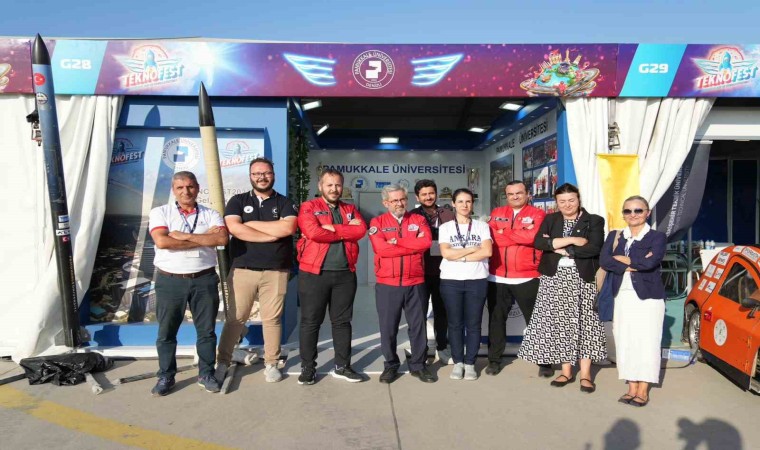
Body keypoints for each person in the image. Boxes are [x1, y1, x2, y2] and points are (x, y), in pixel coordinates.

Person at [518, 183, 606, 393]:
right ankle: (566, 371)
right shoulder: (551, 219)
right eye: (562, 201)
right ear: (557, 202)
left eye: (571, 200)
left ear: (579, 199)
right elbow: (539, 242)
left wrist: (560, 247)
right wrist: (572, 241)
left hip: (583, 279)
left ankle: (585, 374)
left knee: (586, 324)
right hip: (554, 279)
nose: (567, 205)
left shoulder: (594, 220)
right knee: (560, 325)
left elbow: (594, 248)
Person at [216, 157, 298, 383]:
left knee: (272, 319)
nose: (262, 177)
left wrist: (250, 224)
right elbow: (235, 229)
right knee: (236, 318)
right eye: (257, 173)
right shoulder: (237, 201)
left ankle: (271, 363)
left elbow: (288, 227)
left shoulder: (285, 202)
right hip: (243, 269)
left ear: (273, 175)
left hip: (276, 270)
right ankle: (222, 361)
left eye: (266, 173)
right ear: (250, 176)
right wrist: (270, 235)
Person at [148, 171, 228, 396]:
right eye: (180, 188)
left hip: (204, 279)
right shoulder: (160, 212)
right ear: (173, 190)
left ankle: (206, 374)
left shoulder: (211, 214)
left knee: (207, 331)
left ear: (198, 188)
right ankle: (166, 375)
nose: (186, 192)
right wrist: (204, 238)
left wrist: (184, 236)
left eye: (190, 187)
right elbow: (162, 242)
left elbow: (222, 239)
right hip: (170, 280)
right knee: (166, 332)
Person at [296, 169, 367, 385]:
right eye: (329, 185)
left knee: (342, 322)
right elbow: (313, 233)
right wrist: (345, 230)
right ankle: (308, 368)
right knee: (311, 322)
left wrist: (332, 228)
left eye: (337, 185)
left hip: (345, 273)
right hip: (314, 273)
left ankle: (342, 366)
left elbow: (361, 230)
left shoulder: (349, 208)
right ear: (320, 186)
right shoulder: (309, 207)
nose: (334, 189)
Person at [600, 196, 666, 407]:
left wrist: (622, 260)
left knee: (647, 341)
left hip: (649, 297)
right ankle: (631, 386)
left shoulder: (657, 237)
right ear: (623, 214)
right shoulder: (615, 236)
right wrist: (634, 263)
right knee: (625, 340)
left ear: (647, 212)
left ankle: (643, 389)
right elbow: (604, 260)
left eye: (638, 210)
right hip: (622, 296)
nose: (633, 214)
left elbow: (651, 263)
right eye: (628, 211)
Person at [368, 184, 436, 384]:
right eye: (395, 200)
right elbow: (382, 250)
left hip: (416, 282)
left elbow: (425, 244)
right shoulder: (377, 222)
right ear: (386, 203)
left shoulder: (418, 219)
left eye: (402, 199)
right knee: (388, 327)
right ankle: (391, 365)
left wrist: (396, 242)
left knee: (417, 326)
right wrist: (411, 244)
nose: (399, 203)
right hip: (388, 284)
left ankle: (418, 365)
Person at [486, 181, 549, 377]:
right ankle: (494, 360)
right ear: (506, 196)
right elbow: (490, 237)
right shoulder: (497, 212)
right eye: (510, 194)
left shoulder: (538, 214)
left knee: (536, 321)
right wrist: (518, 234)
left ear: (527, 194)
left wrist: (504, 232)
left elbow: (532, 237)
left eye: (519, 193)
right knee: (496, 321)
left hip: (527, 275)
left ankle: (545, 362)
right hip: (497, 276)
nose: (515, 196)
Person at [438, 188, 492, 380]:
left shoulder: (481, 226)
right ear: (453, 204)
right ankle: (458, 362)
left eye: (468, 201)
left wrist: (459, 256)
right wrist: (471, 249)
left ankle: (470, 363)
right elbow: (446, 253)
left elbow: (487, 252)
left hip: (476, 280)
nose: (464, 205)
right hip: (451, 281)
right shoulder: (445, 228)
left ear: (472, 204)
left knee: (474, 324)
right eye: (460, 201)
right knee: (454, 324)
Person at [411, 179, 455, 364]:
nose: (428, 197)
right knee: (418, 313)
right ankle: (419, 350)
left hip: (443, 271)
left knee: (442, 312)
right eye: (424, 194)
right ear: (417, 197)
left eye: (431, 193)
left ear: (436, 194)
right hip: (419, 272)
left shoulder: (448, 214)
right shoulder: (412, 216)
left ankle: (442, 347)